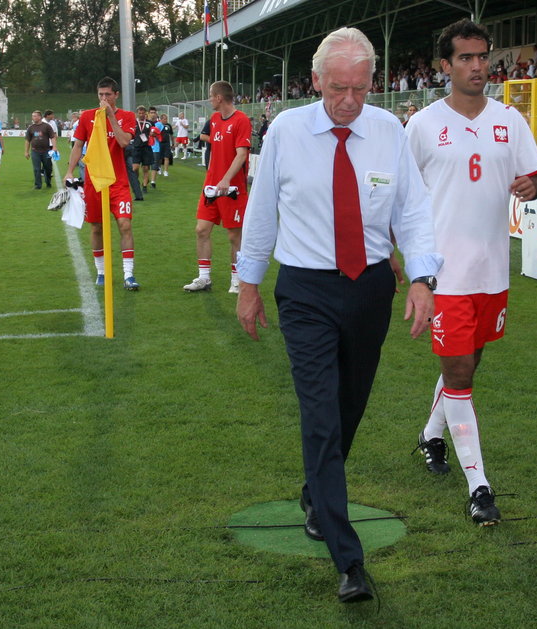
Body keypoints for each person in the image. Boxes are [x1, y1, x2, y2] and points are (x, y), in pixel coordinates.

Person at [235, 27, 441, 603]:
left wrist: (422, 278)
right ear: (317, 81)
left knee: (349, 406)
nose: (349, 100)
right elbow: (261, 212)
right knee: (321, 414)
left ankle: (314, 494)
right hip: (305, 291)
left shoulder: (388, 132)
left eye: (360, 88)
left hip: (370, 287)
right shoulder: (286, 132)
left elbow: (414, 211)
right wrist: (248, 285)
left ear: (373, 82)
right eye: (337, 88)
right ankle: (347, 557)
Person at [405, 18, 537, 527]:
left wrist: (534, 188)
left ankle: (430, 434)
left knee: (467, 368)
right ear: (445, 66)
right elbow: (404, 198)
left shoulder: (510, 119)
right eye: (465, 58)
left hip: (493, 271)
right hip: (445, 275)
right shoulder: (421, 125)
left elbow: (534, 177)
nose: (478, 65)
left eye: (483, 56)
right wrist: (411, 265)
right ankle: (479, 487)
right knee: (459, 373)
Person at [64, 77, 140, 291]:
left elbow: (124, 142)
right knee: (96, 227)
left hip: (118, 182)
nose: (104, 98)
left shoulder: (127, 116)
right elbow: (78, 145)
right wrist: (69, 171)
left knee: (125, 224)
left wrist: (111, 117)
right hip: (94, 183)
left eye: (108, 95)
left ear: (116, 95)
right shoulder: (87, 117)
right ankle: (101, 272)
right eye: (100, 95)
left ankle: (128, 275)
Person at [184, 81, 251, 294]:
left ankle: (237, 280)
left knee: (234, 236)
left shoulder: (241, 120)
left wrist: (226, 179)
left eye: (211, 96)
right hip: (211, 186)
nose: (209, 100)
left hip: (232, 189)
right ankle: (204, 278)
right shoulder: (214, 120)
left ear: (219, 98)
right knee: (201, 229)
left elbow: (241, 155)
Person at [24, 110, 56, 189]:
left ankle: (48, 182)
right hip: (35, 151)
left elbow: (53, 137)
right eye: (32, 116)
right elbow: (27, 140)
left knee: (48, 168)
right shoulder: (31, 128)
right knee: (36, 169)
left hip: (46, 151)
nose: (33, 118)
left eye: (35, 116)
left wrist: (54, 147)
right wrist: (26, 151)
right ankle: (38, 185)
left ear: (39, 117)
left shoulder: (46, 126)